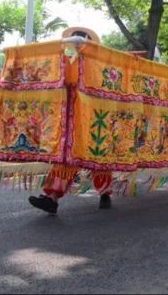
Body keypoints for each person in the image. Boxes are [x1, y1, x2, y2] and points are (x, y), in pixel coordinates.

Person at [28, 27, 115, 214]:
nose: (76, 43)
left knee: (98, 156)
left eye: (81, 41)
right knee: (65, 158)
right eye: (74, 41)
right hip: (70, 116)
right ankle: (52, 199)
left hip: (94, 119)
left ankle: (105, 194)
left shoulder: (99, 63)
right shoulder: (64, 59)